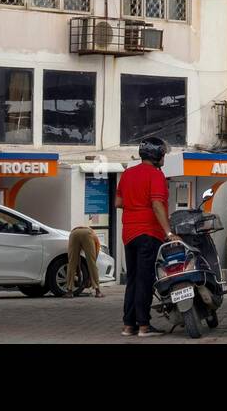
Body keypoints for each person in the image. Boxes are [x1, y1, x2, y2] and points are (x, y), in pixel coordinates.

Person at [116, 137, 178, 337]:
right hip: (148, 233)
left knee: (133, 279)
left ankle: (129, 325)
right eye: (163, 154)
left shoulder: (127, 174)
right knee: (145, 279)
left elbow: (118, 202)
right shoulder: (155, 175)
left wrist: (134, 203)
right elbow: (157, 205)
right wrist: (169, 233)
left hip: (128, 234)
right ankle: (144, 326)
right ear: (157, 154)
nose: (164, 158)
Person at [65, 225, 103, 298]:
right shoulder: (95, 238)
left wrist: (79, 274)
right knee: (92, 263)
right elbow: (94, 259)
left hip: (74, 233)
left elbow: (77, 259)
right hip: (87, 233)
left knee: (71, 263)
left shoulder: (75, 231)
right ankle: (98, 291)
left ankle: (69, 292)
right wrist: (89, 277)